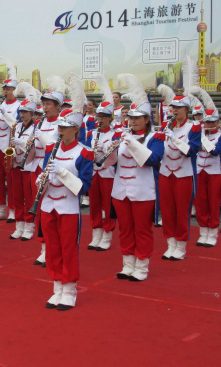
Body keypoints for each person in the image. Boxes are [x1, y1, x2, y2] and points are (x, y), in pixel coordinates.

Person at [37, 79, 93, 310]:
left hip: (69, 207)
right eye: (59, 127)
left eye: (65, 128)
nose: (60, 131)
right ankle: (56, 285)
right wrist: (43, 178)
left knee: (68, 247)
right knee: (52, 247)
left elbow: (85, 187)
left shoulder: (85, 153)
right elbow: (44, 169)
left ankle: (69, 289)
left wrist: (62, 173)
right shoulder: (51, 149)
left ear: (76, 130)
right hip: (48, 204)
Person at [111, 74, 164, 282]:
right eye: (130, 118)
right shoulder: (120, 135)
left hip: (143, 190)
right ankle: (127, 263)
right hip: (121, 189)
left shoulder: (156, 137)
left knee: (142, 229)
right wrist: (104, 151)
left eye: (136, 118)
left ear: (146, 119)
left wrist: (131, 143)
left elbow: (153, 160)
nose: (132, 121)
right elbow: (108, 163)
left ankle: (142, 265)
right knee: (125, 228)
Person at [159, 95, 201, 261]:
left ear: (187, 110)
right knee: (167, 211)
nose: (174, 111)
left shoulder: (194, 127)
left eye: (178, 108)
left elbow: (192, 150)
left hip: (183, 173)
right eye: (173, 107)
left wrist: (174, 138)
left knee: (182, 211)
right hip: (165, 172)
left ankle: (181, 246)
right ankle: (170, 244)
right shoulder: (165, 125)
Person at [27, 80, 64, 266]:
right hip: (38, 167)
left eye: (49, 104)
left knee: (53, 210)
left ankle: (54, 246)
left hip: (54, 168)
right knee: (41, 209)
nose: (46, 107)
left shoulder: (63, 124)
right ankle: (44, 248)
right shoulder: (39, 123)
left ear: (58, 106)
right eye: (44, 104)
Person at [193, 94, 221, 247]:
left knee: (213, 202)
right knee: (200, 202)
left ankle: (213, 232)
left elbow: (216, 151)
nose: (208, 125)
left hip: (214, 172)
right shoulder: (198, 133)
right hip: (200, 171)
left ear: (218, 122)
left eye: (212, 122)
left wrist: (201, 140)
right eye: (206, 122)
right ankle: (203, 232)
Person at [85, 99, 121, 251]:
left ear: (110, 118)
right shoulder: (91, 134)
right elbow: (85, 152)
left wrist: (104, 147)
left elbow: (117, 154)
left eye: (104, 117)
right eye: (99, 117)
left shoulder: (116, 134)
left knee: (108, 205)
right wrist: (90, 151)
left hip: (108, 172)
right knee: (94, 205)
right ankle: (96, 233)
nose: (100, 120)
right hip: (94, 172)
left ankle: (107, 234)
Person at [0, 78, 21, 222]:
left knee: (12, 180)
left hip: (10, 146)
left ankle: (13, 210)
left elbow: (17, 125)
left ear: (14, 90)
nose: (5, 91)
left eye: (8, 89)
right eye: (4, 88)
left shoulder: (19, 106)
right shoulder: (0, 105)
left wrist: (4, 113)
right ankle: (1, 208)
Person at [8, 99, 38, 239]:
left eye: (25, 112)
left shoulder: (36, 128)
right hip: (15, 163)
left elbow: (35, 146)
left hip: (28, 165)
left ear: (32, 113)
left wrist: (22, 142)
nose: (22, 114)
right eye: (21, 111)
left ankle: (29, 226)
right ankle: (19, 225)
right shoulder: (17, 126)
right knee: (17, 196)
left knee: (29, 196)